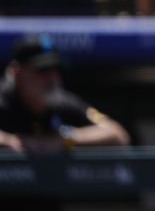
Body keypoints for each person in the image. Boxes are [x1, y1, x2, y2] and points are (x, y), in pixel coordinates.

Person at [0, 34, 130, 210]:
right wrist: (11, 141)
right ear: (17, 72)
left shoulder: (60, 101)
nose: (52, 78)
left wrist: (62, 141)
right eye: (42, 70)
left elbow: (117, 135)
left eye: (55, 69)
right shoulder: (4, 100)